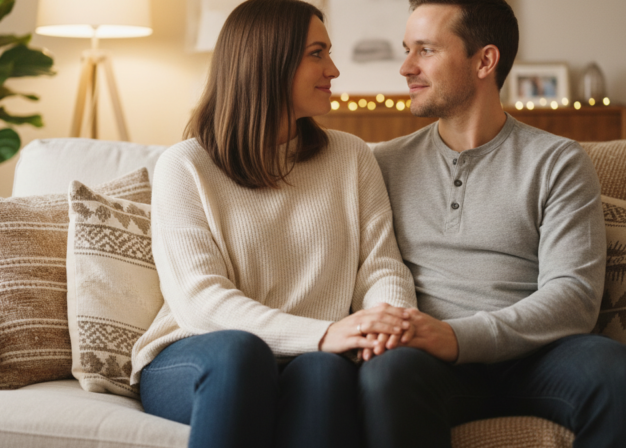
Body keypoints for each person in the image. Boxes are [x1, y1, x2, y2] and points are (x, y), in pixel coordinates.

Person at [358, 1, 626, 447]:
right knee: (386, 375)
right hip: (428, 363)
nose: (406, 67)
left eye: (425, 50)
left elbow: (574, 297)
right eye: (407, 50)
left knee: (623, 375)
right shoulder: (381, 164)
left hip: (537, 356)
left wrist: (457, 336)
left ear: (484, 60)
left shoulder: (557, 160)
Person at [128, 1, 417, 448]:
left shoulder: (351, 157)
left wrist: (384, 326)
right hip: (200, 354)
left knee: (326, 372)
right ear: (268, 62)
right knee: (242, 350)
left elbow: (380, 266)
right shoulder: (185, 166)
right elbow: (199, 300)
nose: (335, 69)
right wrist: (322, 332)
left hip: (313, 354)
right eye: (317, 53)